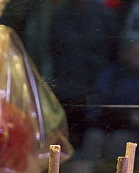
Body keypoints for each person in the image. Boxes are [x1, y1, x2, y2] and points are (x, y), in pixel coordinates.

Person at [79, 33, 139, 159]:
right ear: (124, 54)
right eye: (136, 52)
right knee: (93, 137)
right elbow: (95, 104)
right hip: (107, 126)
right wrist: (106, 114)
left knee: (120, 141)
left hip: (137, 132)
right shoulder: (109, 76)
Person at [47, 0, 119, 149]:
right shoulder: (60, 14)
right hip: (66, 87)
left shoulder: (104, 14)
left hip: (95, 87)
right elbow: (52, 49)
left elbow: (113, 51)